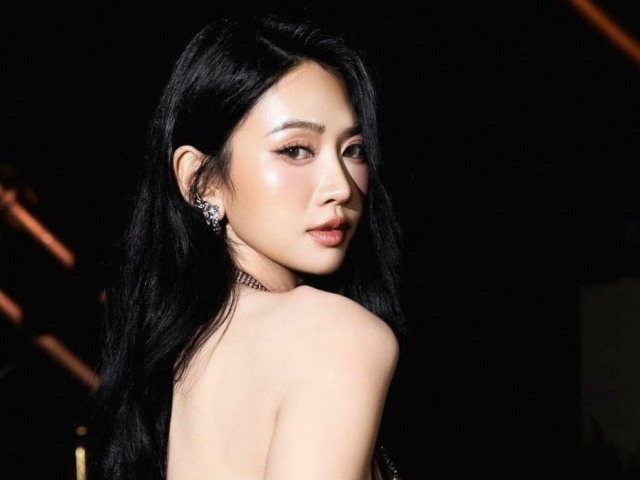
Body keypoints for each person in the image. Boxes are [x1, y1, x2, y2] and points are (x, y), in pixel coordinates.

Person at [91, 9, 406, 480]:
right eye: (295, 150)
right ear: (201, 181)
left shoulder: (185, 356)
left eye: (353, 150)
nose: (340, 186)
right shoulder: (332, 335)